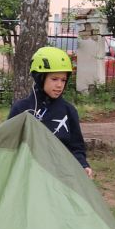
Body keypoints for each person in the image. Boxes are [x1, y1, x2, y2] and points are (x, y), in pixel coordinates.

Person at [10, 46, 91, 176]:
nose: (59, 85)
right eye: (54, 79)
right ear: (40, 78)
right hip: (29, 177)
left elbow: (77, 147)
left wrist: (83, 165)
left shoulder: (69, 111)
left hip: (60, 178)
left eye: (63, 80)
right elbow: (10, 146)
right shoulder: (21, 109)